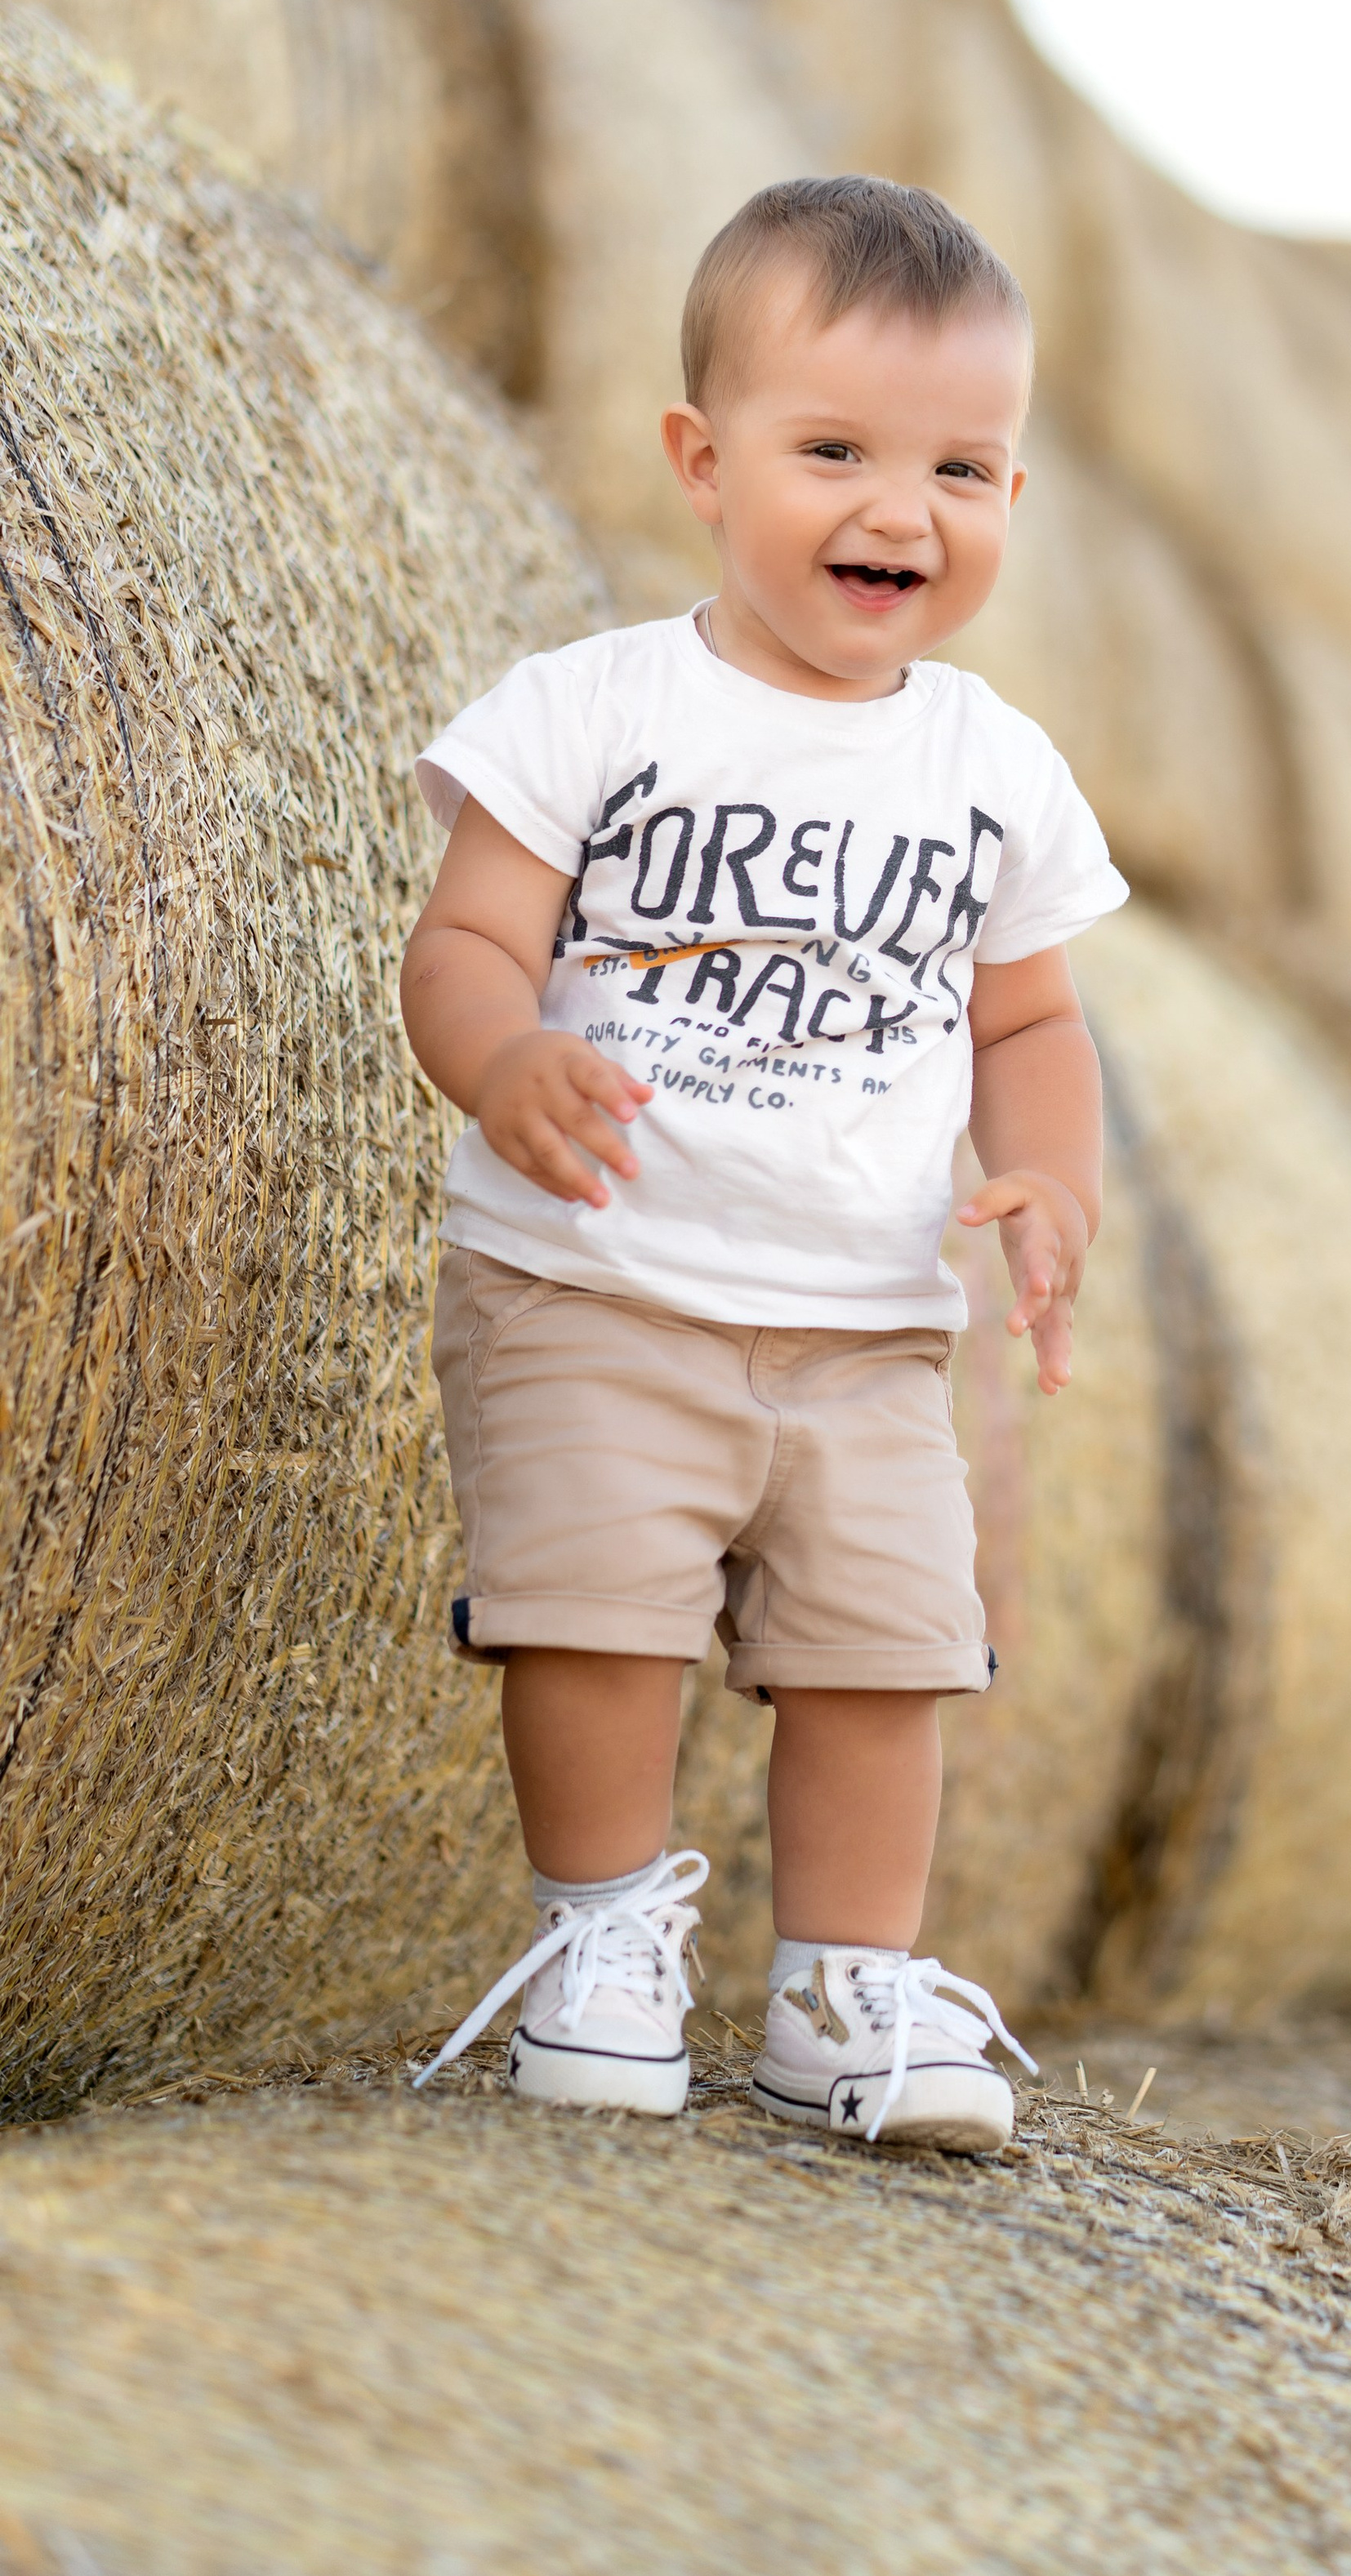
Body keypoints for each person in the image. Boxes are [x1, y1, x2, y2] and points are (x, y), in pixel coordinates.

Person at [397, 176, 1126, 2154]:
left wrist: (1048, 1183)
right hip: (596, 1279)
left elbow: (1031, 1028)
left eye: (961, 468)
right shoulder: (594, 706)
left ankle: (845, 1992)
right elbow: (464, 942)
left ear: (1011, 494)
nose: (902, 512)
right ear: (701, 464)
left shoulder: (991, 765)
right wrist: (507, 1055)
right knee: (595, 1621)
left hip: (869, 1320)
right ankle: (600, 1942)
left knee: (887, 1659)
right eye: (837, 454)